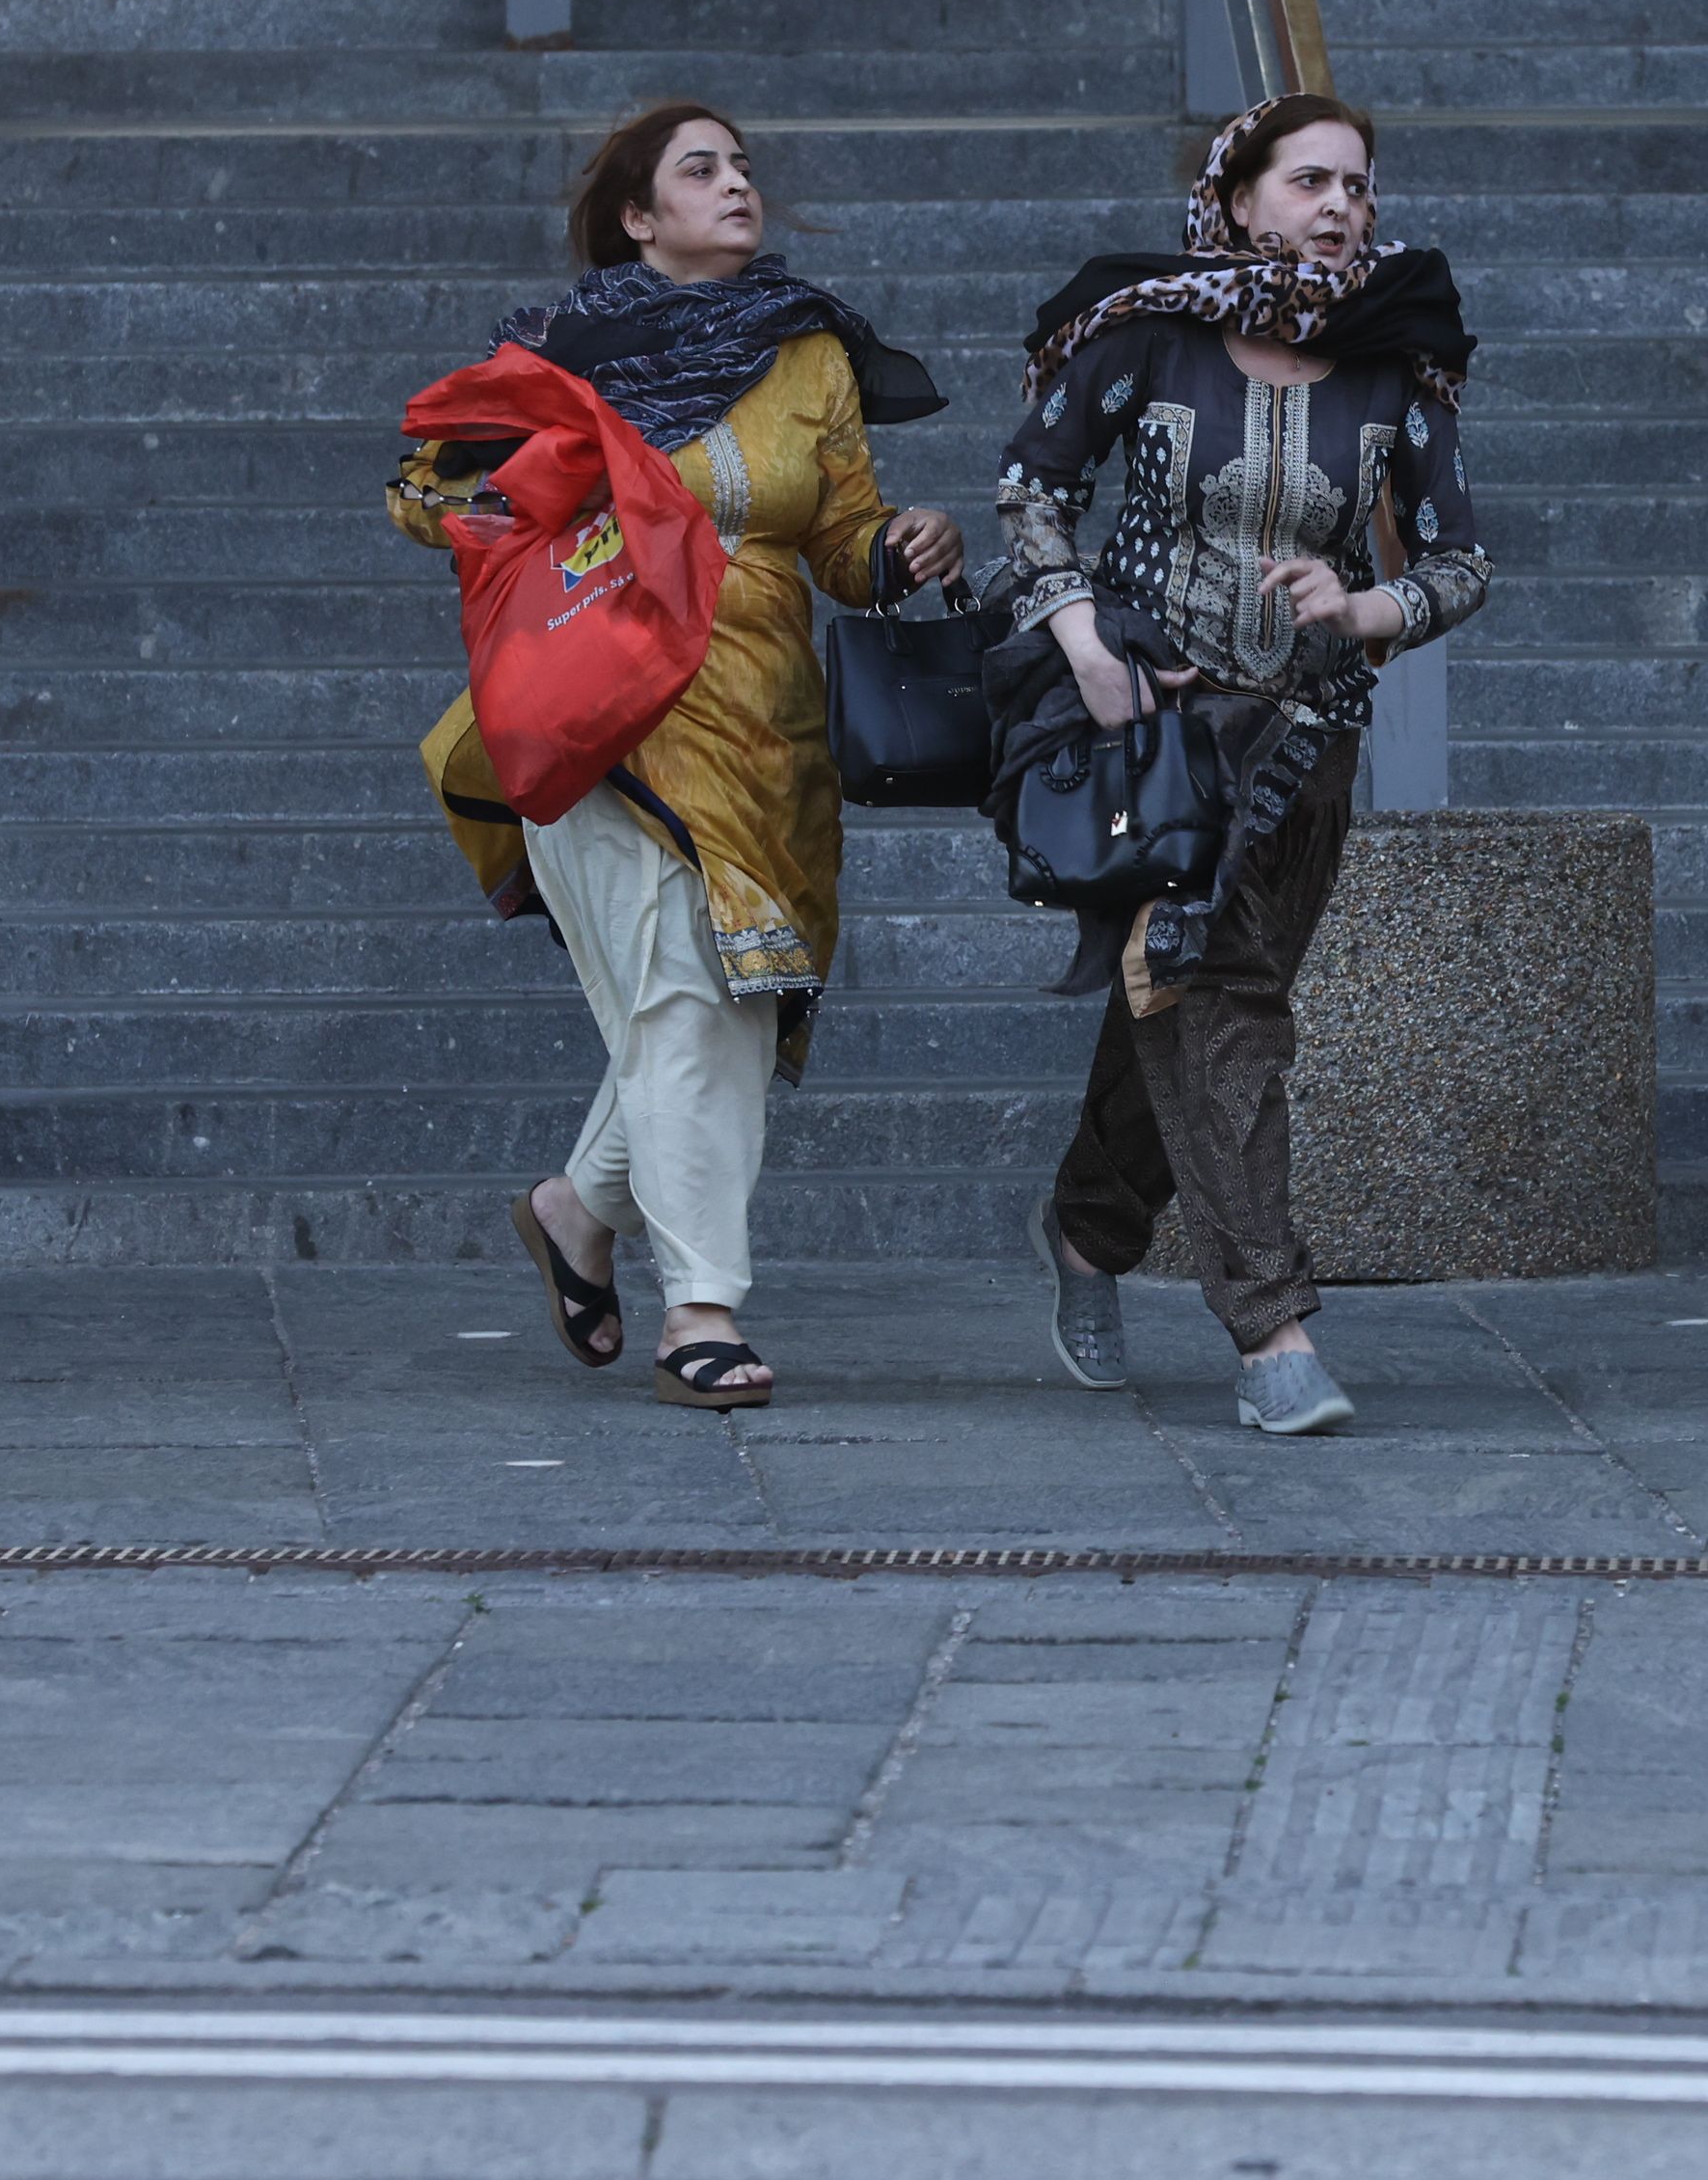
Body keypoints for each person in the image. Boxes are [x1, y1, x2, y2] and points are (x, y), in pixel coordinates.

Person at [392, 101, 962, 1412]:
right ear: (639, 217)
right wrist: (531, 499)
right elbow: (423, 489)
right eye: (701, 169)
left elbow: (841, 540)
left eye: (744, 165)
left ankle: (574, 1211)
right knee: (678, 1001)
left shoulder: (808, 350)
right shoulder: (566, 354)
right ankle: (700, 1308)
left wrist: (901, 547)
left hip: (766, 723)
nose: (737, 183)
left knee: (732, 1003)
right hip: (604, 709)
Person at [992, 95, 1492, 1437]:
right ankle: (1274, 1333)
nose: (1341, 207)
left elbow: (1460, 559)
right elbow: (1033, 487)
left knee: (1190, 999)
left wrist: (1367, 604)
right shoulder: (1147, 333)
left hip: (1308, 745)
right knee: (1222, 1008)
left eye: (1358, 187)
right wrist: (1082, 639)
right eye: (1310, 181)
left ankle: (1088, 1227)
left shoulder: (1391, 366)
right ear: (1235, 200)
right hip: (1153, 737)